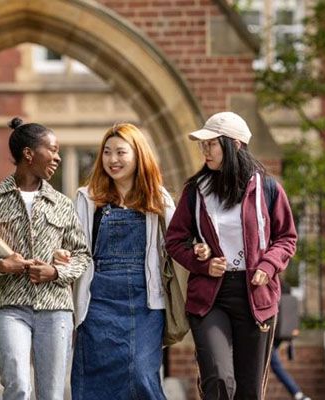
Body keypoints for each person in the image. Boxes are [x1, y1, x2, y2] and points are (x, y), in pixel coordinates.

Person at [67, 123, 211, 399]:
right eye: (107, 152)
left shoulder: (158, 198)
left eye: (121, 152)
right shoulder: (87, 199)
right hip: (97, 303)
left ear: (138, 155)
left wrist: (199, 251)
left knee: (141, 374)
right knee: (95, 382)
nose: (112, 160)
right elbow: (74, 247)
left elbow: (179, 240)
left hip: (146, 303)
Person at [165, 111, 298, 400]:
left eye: (211, 144)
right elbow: (175, 240)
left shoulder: (268, 189)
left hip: (255, 296)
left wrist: (268, 263)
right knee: (219, 379)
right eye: (203, 144)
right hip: (210, 296)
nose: (204, 151)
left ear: (235, 145)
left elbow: (287, 238)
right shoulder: (195, 191)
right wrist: (200, 258)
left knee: (249, 390)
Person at [0, 117, 91, 400]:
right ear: (29, 154)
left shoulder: (62, 204)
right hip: (10, 308)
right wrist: (1, 265)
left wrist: (56, 272)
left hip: (56, 309)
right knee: (18, 385)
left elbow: (83, 256)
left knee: (52, 394)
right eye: (53, 150)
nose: (57, 157)